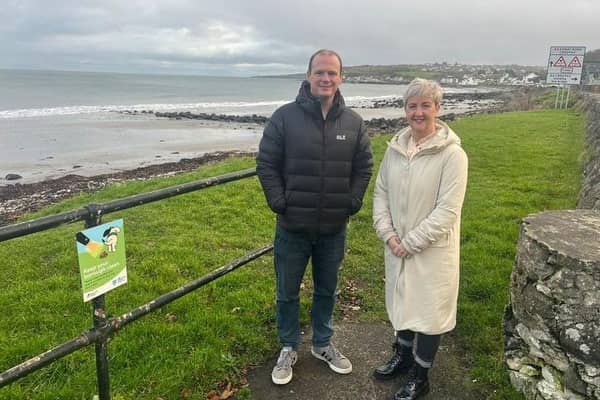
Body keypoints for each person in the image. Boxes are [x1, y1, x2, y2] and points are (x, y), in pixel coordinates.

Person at [256, 49, 373, 385]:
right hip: (292, 227)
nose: (326, 78)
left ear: (341, 78)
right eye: (320, 72)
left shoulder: (353, 122)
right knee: (287, 292)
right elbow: (266, 163)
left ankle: (322, 344)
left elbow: (363, 165)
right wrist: (280, 202)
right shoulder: (284, 117)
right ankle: (289, 346)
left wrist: (352, 201)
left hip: (334, 228)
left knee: (326, 290)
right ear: (308, 76)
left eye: (332, 73)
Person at [372, 78, 468, 400]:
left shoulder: (453, 155)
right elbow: (381, 193)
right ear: (405, 110)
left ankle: (421, 374)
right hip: (397, 245)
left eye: (425, 105)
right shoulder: (395, 149)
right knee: (403, 300)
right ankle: (402, 356)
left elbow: (447, 211)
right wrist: (388, 234)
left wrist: (409, 242)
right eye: (412, 105)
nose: (418, 112)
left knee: (429, 312)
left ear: (438, 109)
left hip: (430, 250)